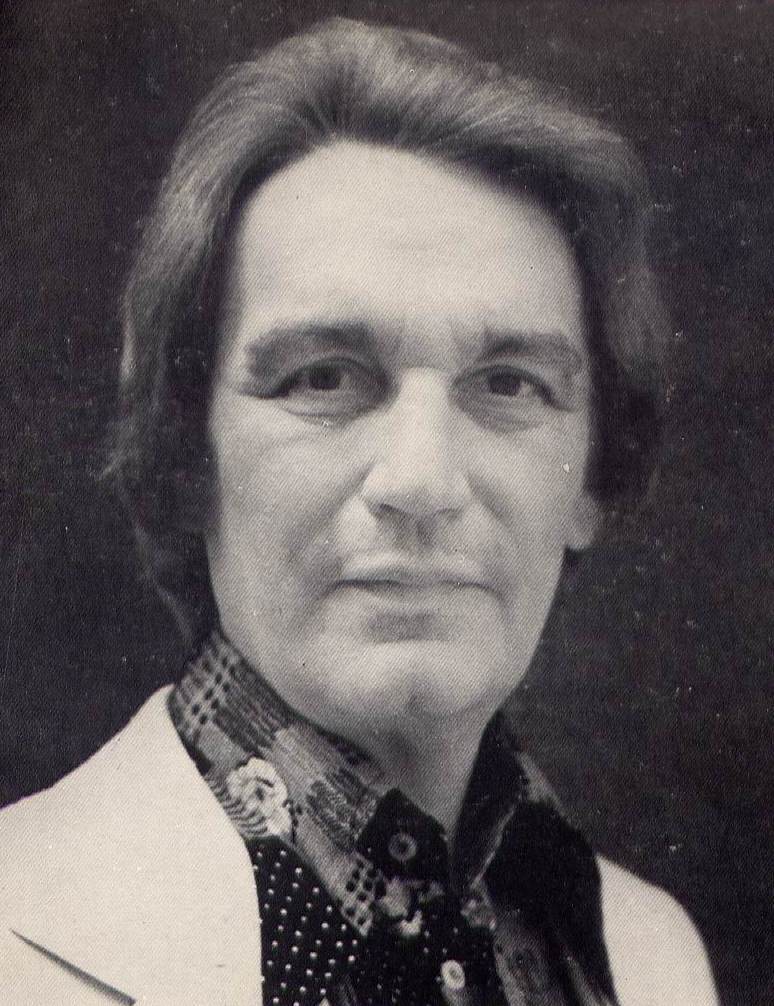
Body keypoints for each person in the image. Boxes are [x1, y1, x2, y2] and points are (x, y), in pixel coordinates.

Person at [0, 17, 719, 1006]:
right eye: (325, 377)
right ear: (186, 455)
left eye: (509, 384)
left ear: (591, 478)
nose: (420, 481)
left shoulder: (654, 958)